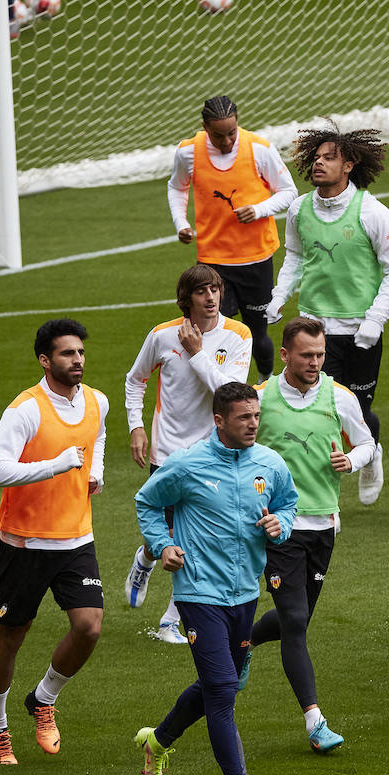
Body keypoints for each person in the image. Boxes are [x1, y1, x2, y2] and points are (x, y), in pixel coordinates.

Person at [133, 382, 296, 775]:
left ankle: (158, 739)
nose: (253, 424)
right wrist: (162, 544)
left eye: (257, 416)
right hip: (198, 592)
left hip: (245, 594)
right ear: (219, 421)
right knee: (224, 689)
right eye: (244, 417)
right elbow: (146, 502)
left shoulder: (270, 463)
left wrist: (281, 523)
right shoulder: (187, 465)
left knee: (220, 684)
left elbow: (288, 503)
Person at [238, 318, 376, 752]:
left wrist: (351, 462)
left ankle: (244, 642)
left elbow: (367, 442)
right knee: (296, 622)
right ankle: (316, 723)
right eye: (306, 355)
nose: (315, 362)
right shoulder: (261, 400)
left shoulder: (340, 397)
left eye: (319, 355)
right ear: (284, 355)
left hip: (324, 524)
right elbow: (235, 451)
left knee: (297, 617)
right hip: (279, 527)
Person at [0, 318, 108, 765]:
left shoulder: (97, 401)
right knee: (11, 636)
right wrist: (54, 466)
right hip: (25, 543)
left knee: (89, 626)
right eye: (67, 354)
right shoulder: (25, 409)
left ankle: (43, 698)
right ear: (45, 360)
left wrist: (95, 470)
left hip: (76, 537)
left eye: (80, 353)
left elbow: (96, 438)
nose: (77, 360)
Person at [266, 124, 389, 505]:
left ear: (349, 164)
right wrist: (280, 297)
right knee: (320, 412)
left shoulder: (372, 212)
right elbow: (295, 255)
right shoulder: (299, 209)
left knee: (358, 412)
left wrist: (375, 321)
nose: (319, 164)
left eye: (329, 158)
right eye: (316, 157)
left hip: (360, 331)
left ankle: (370, 452)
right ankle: (318, 502)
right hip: (314, 328)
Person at [125, 264, 251, 644]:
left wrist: (198, 354)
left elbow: (231, 394)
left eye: (215, 289)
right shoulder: (162, 336)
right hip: (166, 451)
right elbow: (135, 380)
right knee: (163, 535)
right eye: (201, 291)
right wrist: (136, 426)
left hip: (214, 451)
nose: (210, 297)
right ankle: (145, 559)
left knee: (198, 538)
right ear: (187, 298)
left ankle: (170, 620)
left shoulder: (238, 335)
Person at [168, 95, 299, 381]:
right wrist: (181, 223)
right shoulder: (188, 152)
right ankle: (218, 389)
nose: (227, 142)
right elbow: (177, 187)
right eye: (218, 136)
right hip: (213, 260)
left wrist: (259, 209)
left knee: (258, 332)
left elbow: (289, 192)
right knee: (210, 330)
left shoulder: (259, 149)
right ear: (204, 127)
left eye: (232, 133)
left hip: (256, 257)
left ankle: (265, 382)